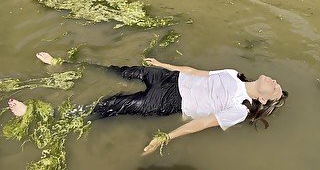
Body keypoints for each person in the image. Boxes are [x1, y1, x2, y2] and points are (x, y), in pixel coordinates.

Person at [7, 52, 288, 156]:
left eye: (274, 89)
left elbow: (203, 123)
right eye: (276, 83)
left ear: (262, 99)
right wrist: (163, 64)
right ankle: (62, 63)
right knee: (117, 70)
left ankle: (43, 114)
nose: (274, 82)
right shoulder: (233, 74)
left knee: (110, 105)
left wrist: (166, 136)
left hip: (170, 101)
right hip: (168, 77)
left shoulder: (240, 108)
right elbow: (194, 71)